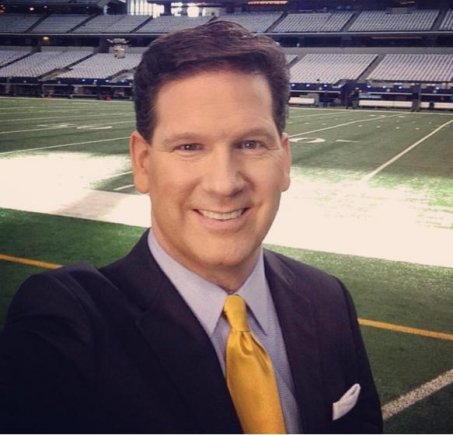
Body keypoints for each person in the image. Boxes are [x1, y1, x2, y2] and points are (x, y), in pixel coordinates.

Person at [0, 21, 382, 434]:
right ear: (143, 163)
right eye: (189, 147)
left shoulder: (327, 298)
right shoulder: (70, 324)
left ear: (284, 161)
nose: (224, 184)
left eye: (250, 144)